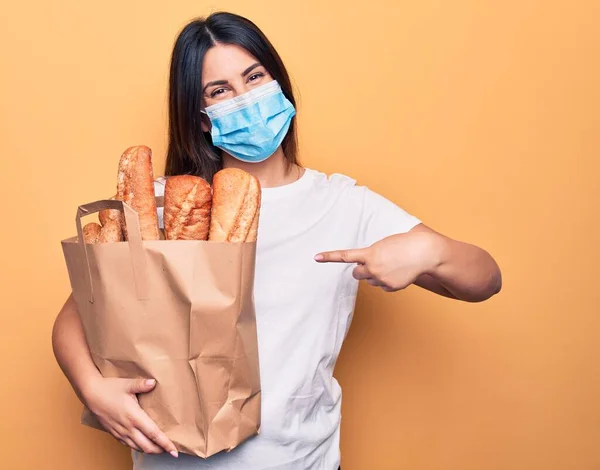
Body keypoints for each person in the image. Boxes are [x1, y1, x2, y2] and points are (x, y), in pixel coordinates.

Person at [52, 11, 502, 470]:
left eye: (255, 77)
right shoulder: (165, 205)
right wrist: (93, 389)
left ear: (281, 87)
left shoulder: (345, 205)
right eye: (219, 91)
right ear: (203, 119)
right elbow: (75, 318)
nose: (244, 98)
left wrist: (428, 250)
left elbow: (484, 279)